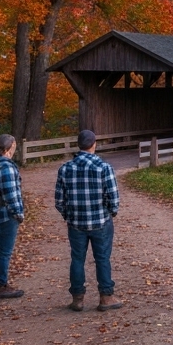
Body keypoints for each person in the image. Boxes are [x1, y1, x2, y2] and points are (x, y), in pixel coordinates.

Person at [54, 130, 122, 312]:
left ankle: (77, 299)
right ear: (94, 144)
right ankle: (106, 296)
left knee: (77, 259)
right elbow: (114, 198)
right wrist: (111, 212)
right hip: (100, 220)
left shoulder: (65, 168)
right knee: (102, 259)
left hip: (76, 223)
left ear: (79, 145)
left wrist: (68, 216)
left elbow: (59, 201)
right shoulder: (104, 167)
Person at [0, 134, 26, 299]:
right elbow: (11, 194)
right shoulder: (6, 167)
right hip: (5, 216)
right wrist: (18, 214)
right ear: (9, 149)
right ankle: (1, 285)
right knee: (4, 252)